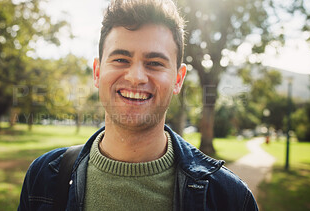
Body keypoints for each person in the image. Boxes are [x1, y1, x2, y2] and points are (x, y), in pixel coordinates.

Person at [18, 0, 258, 210]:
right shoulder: (43, 178)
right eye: (121, 59)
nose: (136, 77)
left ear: (178, 79)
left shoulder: (231, 198)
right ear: (97, 72)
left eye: (154, 63)